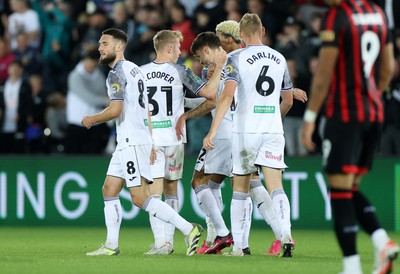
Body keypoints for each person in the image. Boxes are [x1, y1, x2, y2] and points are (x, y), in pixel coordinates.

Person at [84, 28, 203, 257]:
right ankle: (111, 245)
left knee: (140, 198)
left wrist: (93, 119)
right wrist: (150, 141)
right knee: (109, 188)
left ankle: (189, 229)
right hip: (131, 141)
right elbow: (147, 109)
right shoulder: (135, 70)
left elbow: (116, 109)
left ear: (119, 47)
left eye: (105, 43)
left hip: (131, 140)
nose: (99, 47)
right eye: (100, 43)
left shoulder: (116, 73)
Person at [300, 0, 400, 273]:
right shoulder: (379, 14)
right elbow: (388, 69)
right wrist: (372, 98)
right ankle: (382, 244)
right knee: (349, 188)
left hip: (345, 115)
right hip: (374, 114)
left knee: (340, 191)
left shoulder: (338, 16)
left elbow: (323, 74)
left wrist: (310, 119)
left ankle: (352, 266)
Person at [203, 13, 295, 257]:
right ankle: (285, 233)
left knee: (241, 188)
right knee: (276, 187)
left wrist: (213, 130)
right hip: (274, 129)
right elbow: (287, 100)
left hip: (246, 131)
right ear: (262, 30)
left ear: (241, 35)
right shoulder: (279, 58)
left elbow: (226, 96)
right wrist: (275, 120)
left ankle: (241, 247)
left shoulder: (236, 58)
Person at [139, 29, 227, 255]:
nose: (180, 52)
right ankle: (168, 241)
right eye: (178, 48)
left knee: (153, 194)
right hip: (174, 140)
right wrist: (218, 69)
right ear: (168, 48)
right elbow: (209, 94)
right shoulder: (180, 71)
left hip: (151, 140)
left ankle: (162, 244)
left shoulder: (140, 72)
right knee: (171, 190)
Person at [65, 50, 110, 154]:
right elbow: (87, 97)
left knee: (94, 154)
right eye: (89, 61)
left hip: (95, 122)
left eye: (94, 62)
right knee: (74, 155)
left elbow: (103, 92)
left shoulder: (98, 75)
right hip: (77, 122)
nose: (91, 65)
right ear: (84, 61)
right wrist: (106, 100)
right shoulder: (74, 76)